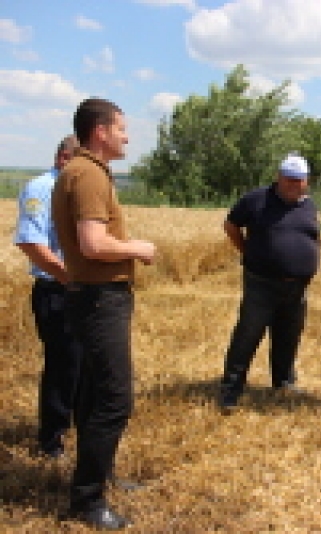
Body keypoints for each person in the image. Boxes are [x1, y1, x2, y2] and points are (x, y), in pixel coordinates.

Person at [51, 97, 156, 530]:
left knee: (94, 394)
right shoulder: (89, 173)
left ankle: (99, 474)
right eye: (121, 128)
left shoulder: (77, 170)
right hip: (99, 299)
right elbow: (94, 244)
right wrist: (139, 248)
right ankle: (88, 500)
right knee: (115, 398)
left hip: (90, 296)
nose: (127, 136)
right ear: (101, 132)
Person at [218, 153, 320, 409]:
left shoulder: (308, 205)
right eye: (289, 180)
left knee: (288, 334)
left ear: (306, 181)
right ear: (279, 177)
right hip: (262, 283)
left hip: (297, 286)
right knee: (248, 334)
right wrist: (248, 251)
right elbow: (231, 225)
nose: (294, 185)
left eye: (299, 181)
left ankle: (283, 382)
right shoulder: (256, 199)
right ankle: (231, 388)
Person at [14, 135, 82, 459]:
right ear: (63, 159)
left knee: (84, 365)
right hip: (57, 290)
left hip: (82, 289)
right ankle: (51, 441)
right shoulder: (41, 189)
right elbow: (31, 244)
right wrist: (69, 277)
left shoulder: (79, 187)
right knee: (63, 365)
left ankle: (79, 432)